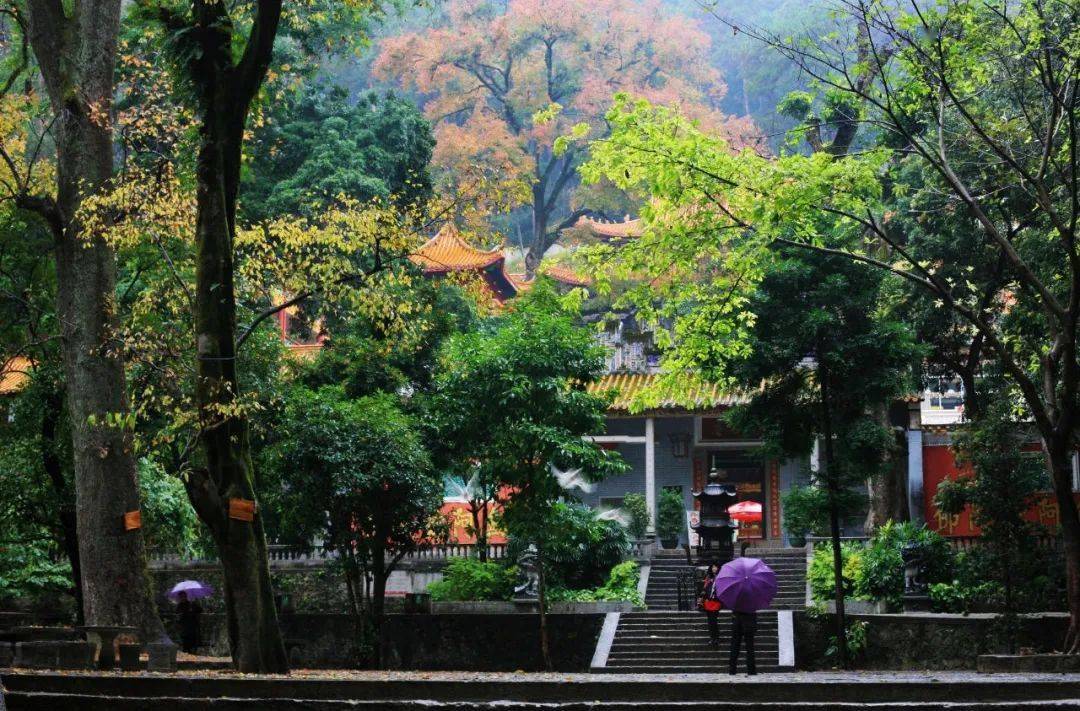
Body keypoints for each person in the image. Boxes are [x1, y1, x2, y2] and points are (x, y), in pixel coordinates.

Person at [699, 563, 722, 648]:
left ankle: (715, 638)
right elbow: (704, 589)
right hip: (708, 602)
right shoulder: (709, 578)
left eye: (716, 567)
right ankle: (713, 637)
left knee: (713, 621)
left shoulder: (720, 577)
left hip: (716, 602)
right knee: (710, 621)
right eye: (713, 567)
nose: (714, 568)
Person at [729, 609, 757, 676]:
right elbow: (754, 615)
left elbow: (733, 614)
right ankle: (751, 670)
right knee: (750, 648)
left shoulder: (736, 600)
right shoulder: (752, 601)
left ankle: (732, 670)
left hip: (737, 623)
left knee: (734, 647)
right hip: (749, 624)